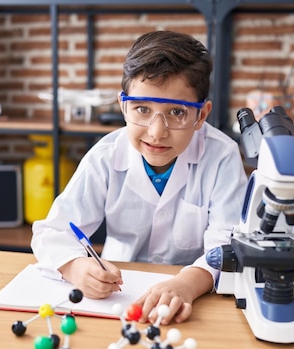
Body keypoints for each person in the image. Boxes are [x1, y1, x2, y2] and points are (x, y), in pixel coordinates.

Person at [31, 30, 248, 324]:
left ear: (201, 116)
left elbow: (229, 246)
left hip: (191, 300)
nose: (157, 131)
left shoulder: (222, 156)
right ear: (123, 105)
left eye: (176, 112)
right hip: (116, 300)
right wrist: (75, 267)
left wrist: (186, 284)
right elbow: (52, 231)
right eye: (142, 109)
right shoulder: (105, 155)